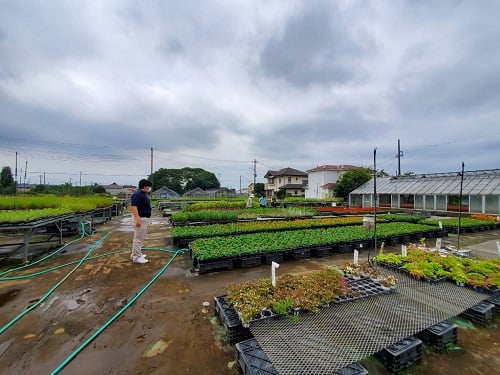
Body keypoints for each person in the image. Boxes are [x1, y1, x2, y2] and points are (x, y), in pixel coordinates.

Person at [130, 179, 153, 264]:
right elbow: (134, 207)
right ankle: (136, 257)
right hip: (141, 219)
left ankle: (137, 254)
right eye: (148, 187)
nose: (149, 188)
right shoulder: (137, 195)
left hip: (144, 219)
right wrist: (137, 219)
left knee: (140, 238)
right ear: (144, 186)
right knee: (138, 239)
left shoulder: (142, 194)